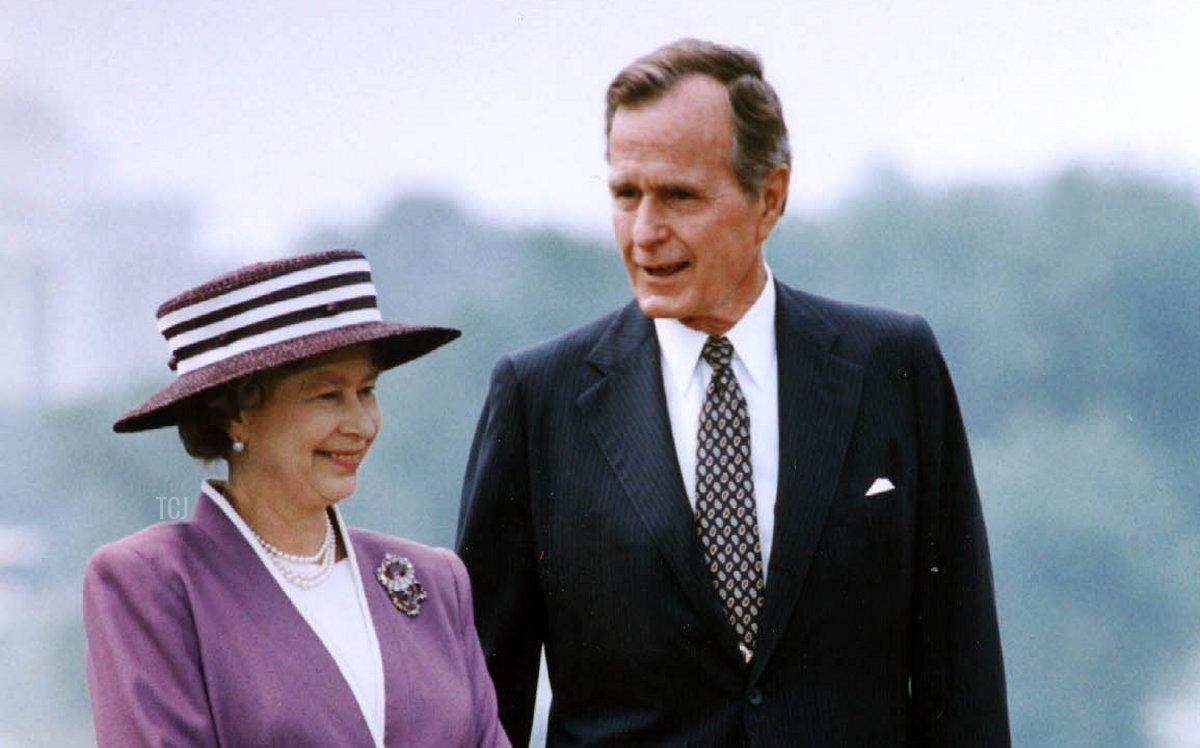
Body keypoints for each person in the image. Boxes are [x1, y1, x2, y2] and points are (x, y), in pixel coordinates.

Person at [457, 38, 1010, 746]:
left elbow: (962, 677)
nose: (646, 232)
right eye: (626, 194)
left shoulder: (893, 367)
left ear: (769, 197)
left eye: (680, 196)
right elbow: (478, 706)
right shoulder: (537, 400)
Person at [84, 249, 510, 747]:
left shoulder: (434, 580)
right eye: (328, 396)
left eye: (367, 391)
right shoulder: (153, 582)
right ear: (234, 413)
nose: (362, 425)